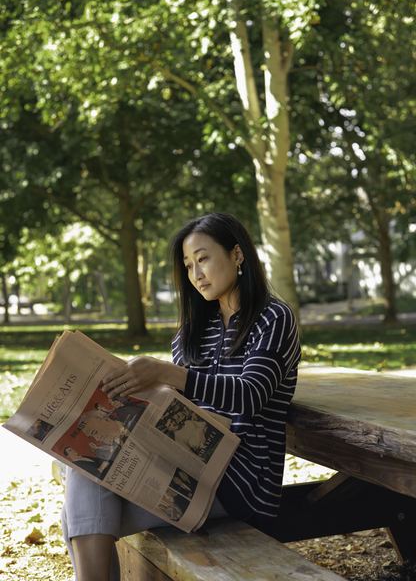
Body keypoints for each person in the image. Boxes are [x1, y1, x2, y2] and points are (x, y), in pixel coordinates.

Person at [61, 212, 301, 581]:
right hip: (187, 466)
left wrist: (167, 374)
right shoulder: (191, 333)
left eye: (203, 258)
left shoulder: (272, 317)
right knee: (85, 471)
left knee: (82, 512)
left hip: (242, 482)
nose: (196, 273)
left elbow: (251, 395)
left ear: (237, 255)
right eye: (188, 265)